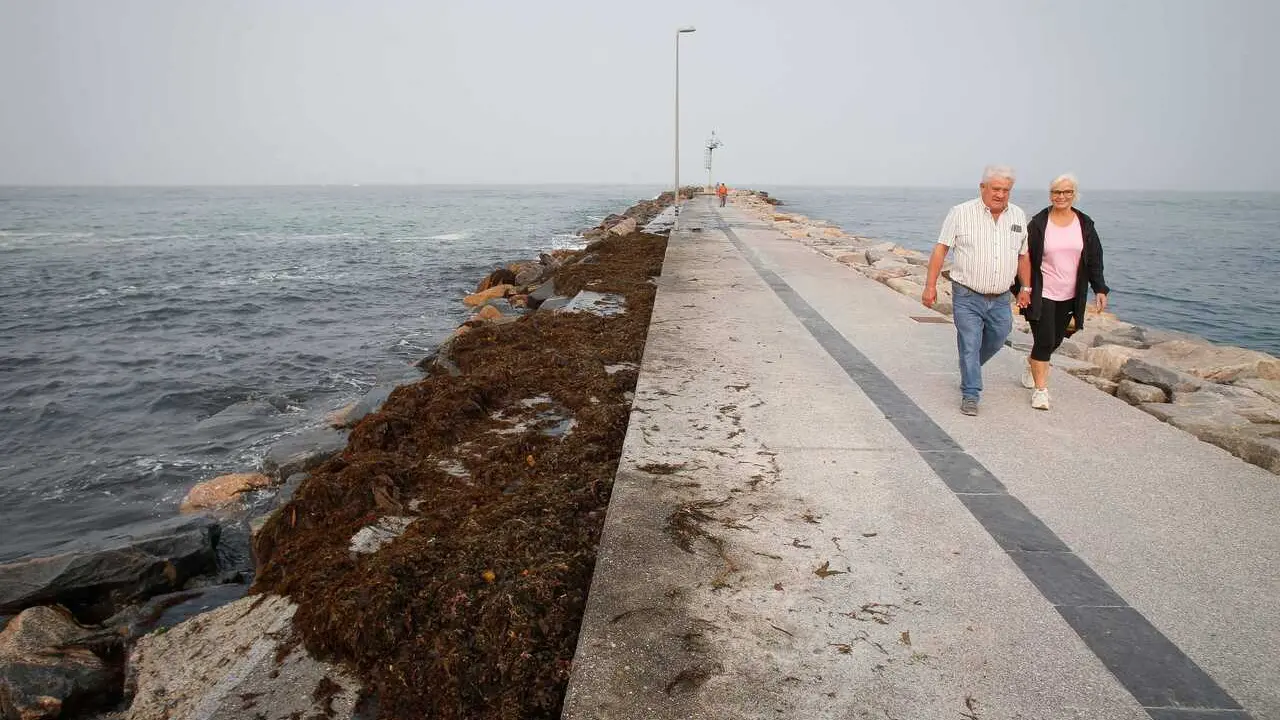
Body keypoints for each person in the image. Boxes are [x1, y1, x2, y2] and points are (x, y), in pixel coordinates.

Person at [922, 165, 1031, 416]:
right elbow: (941, 249)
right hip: (967, 295)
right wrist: (930, 286)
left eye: (1006, 190)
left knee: (999, 337)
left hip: (1001, 298)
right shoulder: (960, 213)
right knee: (970, 343)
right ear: (982, 187)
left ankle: (968, 367)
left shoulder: (1017, 215)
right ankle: (971, 393)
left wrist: (1025, 287)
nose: (1000, 194)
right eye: (996, 189)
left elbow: (1023, 255)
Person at [1015, 173, 1109, 410]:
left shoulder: (1084, 224)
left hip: (1071, 294)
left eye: (1067, 192)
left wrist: (1099, 288)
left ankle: (1032, 362)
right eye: (1057, 192)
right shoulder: (1039, 223)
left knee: (1056, 339)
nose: (1061, 196)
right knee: (1045, 340)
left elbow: (1094, 258)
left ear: (1074, 195)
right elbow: (1023, 256)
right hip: (1042, 293)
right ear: (1051, 195)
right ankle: (1041, 391)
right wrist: (1021, 288)